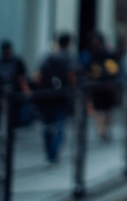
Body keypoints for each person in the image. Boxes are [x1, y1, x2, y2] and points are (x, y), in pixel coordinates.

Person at [35, 32, 77, 164]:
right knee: (59, 124)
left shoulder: (48, 57)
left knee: (47, 125)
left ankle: (49, 152)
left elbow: (38, 77)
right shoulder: (69, 58)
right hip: (61, 97)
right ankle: (54, 152)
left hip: (47, 96)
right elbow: (72, 77)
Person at [83, 31, 121, 141]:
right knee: (101, 109)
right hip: (101, 86)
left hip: (106, 86)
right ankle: (102, 129)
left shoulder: (103, 53)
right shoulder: (94, 54)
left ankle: (104, 129)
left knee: (106, 109)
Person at [1, 40, 33, 127]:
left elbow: (22, 77)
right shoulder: (2, 62)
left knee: (13, 115)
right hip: (4, 92)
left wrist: (26, 89)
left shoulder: (17, 61)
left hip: (15, 92)